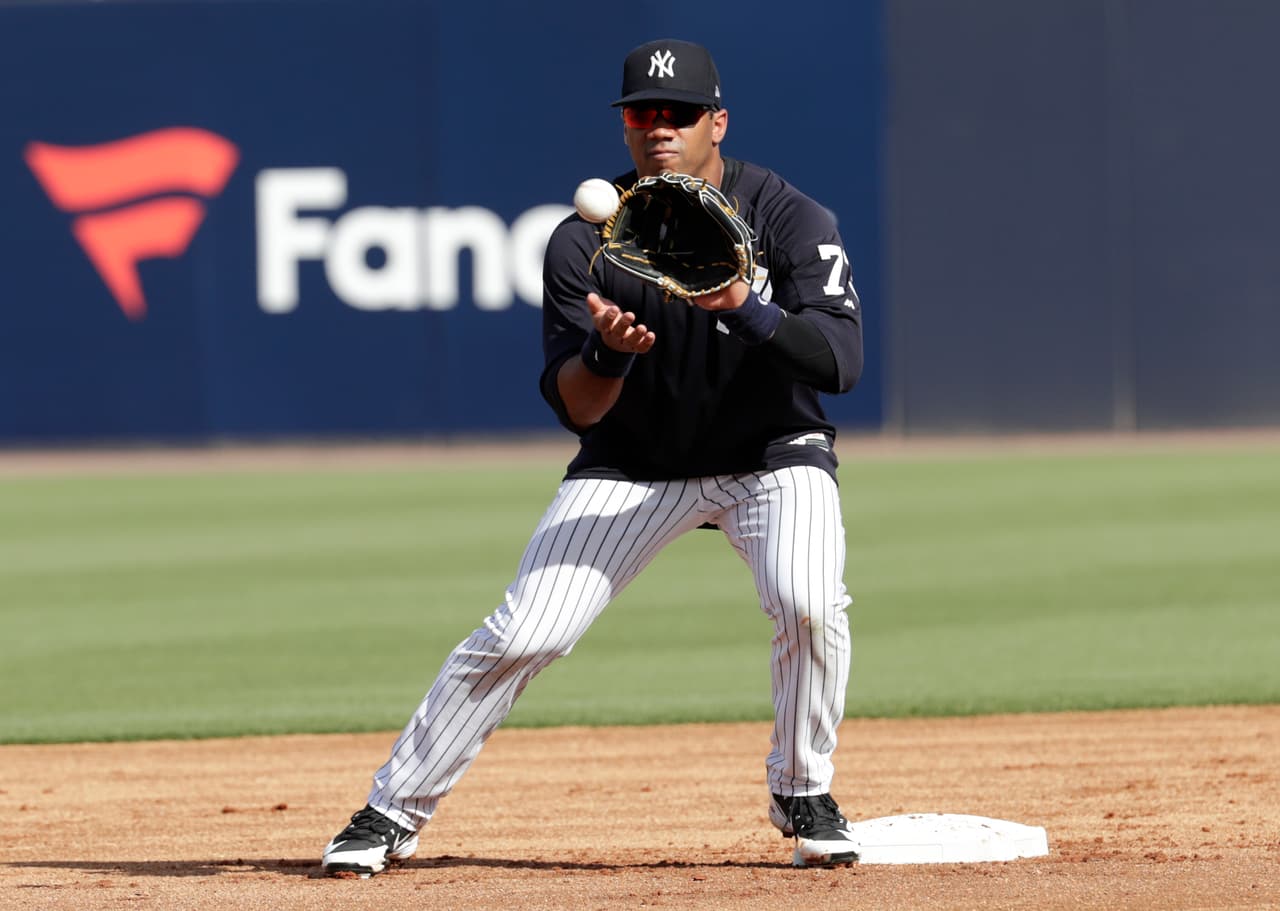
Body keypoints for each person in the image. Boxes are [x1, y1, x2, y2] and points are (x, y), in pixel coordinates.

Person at [321, 37, 864, 875]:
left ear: (716, 122)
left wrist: (742, 304)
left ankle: (801, 788)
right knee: (523, 632)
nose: (660, 128)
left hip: (771, 454)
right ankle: (391, 809)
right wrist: (609, 352)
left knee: (807, 598)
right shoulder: (585, 239)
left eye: (679, 114)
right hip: (632, 463)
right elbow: (579, 407)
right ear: (625, 129)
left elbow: (840, 363)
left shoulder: (788, 217)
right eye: (643, 114)